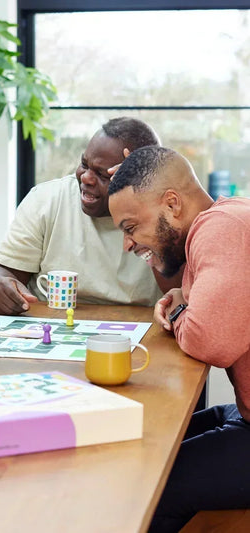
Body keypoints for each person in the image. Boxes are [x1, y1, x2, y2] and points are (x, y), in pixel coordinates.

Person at [107, 146, 250, 532]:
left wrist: (180, 310)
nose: (127, 243)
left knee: (150, 486)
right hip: (244, 413)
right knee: (155, 442)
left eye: (130, 227)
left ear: (171, 204)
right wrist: (187, 298)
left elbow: (210, 340)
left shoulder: (220, 228)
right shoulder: (228, 215)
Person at [0, 117, 180, 315]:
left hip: (141, 330)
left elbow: (184, 292)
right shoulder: (47, 199)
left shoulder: (167, 215)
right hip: (55, 325)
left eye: (103, 175)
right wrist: (0, 285)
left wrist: (148, 211)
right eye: (84, 164)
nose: (86, 178)